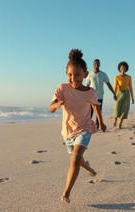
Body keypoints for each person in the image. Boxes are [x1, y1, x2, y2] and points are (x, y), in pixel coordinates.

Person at [49, 49, 107, 203]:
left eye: (77, 75)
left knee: (74, 158)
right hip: (67, 131)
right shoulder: (62, 88)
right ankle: (88, 168)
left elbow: (95, 106)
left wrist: (100, 122)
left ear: (85, 74)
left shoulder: (90, 92)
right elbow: (50, 107)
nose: (73, 78)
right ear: (66, 74)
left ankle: (66, 193)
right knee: (78, 159)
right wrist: (57, 105)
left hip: (85, 127)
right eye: (70, 75)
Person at [85, 59, 116, 129]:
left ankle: (97, 126)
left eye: (98, 63)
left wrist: (114, 93)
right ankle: (88, 126)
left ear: (100, 64)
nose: (97, 64)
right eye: (95, 63)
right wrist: (82, 95)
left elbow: (108, 84)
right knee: (90, 112)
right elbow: (86, 86)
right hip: (91, 97)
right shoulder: (89, 74)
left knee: (98, 113)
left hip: (100, 96)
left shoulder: (103, 74)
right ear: (93, 64)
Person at [113, 61, 134, 129]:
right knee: (117, 108)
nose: (123, 69)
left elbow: (130, 87)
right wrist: (114, 94)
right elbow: (115, 87)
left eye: (124, 67)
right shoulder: (117, 77)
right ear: (119, 68)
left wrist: (132, 97)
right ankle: (115, 119)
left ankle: (119, 124)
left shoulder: (129, 77)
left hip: (126, 94)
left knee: (125, 109)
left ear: (126, 69)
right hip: (119, 93)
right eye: (121, 67)